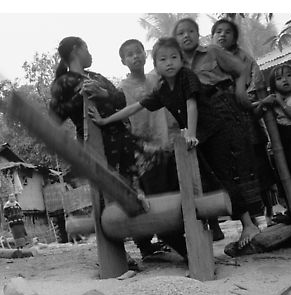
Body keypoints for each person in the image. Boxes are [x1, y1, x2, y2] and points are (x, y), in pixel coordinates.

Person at [89, 37, 260, 250]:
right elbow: (135, 108)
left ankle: (248, 224)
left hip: (211, 133)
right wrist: (106, 120)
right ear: (157, 64)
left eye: (173, 57)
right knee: (199, 183)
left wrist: (190, 133)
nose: (169, 63)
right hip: (189, 139)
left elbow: (192, 105)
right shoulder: (162, 89)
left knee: (222, 175)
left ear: (181, 60)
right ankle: (189, 236)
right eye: (163, 59)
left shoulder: (186, 77)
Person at [172, 18, 263, 249]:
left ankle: (252, 223)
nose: (187, 36)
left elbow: (241, 69)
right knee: (215, 171)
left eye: (191, 31)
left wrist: (241, 91)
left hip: (223, 105)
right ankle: (239, 223)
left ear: (197, 33)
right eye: (181, 32)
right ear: (175, 39)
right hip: (199, 118)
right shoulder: (176, 65)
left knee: (238, 162)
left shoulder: (212, 51)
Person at [49, 36, 154, 192]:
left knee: (134, 188)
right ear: (76, 50)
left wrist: (104, 93)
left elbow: (120, 101)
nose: (90, 54)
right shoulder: (63, 82)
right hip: (95, 146)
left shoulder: (96, 77)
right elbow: (55, 117)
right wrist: (80, 96)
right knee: (108, 195)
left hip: (123, 142)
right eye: (87, 49)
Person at [117, 39, 187, 257]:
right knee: (153, 198)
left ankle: (183, 240)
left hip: (168, 143)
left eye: (138, 52)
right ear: (123, 61)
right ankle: (162, 246)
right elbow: (124, 121)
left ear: (145, 55)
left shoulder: (157, 78)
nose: (135, 56)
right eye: (129, 54)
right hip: (144, 152)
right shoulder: (121, 89)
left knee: (176, 192)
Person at [211, 18, 278, 226]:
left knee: (260, 170)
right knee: (235, 175)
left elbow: (254, 89)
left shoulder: (245, 59)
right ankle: (248, 223)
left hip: (248, 123)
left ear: (235, 38)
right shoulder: (206, 60)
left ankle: (269, 213)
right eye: (218, 31)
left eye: (227, 32)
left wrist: (251, 102)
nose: (222, 35)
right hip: (223, 129)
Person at [255, 64, 291, 196]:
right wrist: (263, 103)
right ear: (274, 84)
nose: (285, 80)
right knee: (290, 171)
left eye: (289, 75)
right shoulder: (274, 99)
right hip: (283, 138)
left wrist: (280, 102)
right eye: (279, 78)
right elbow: (257, 114)